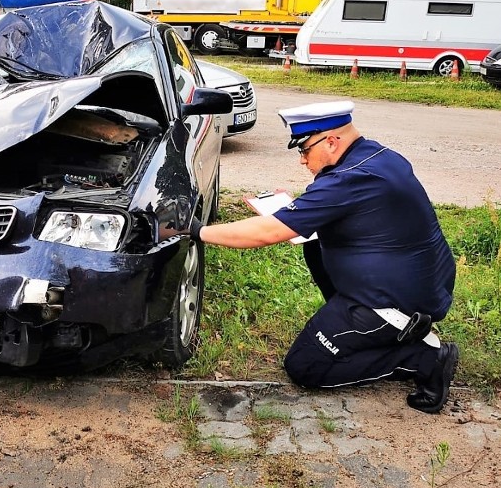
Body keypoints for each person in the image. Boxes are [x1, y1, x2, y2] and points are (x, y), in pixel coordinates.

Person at [191, 101, 458, 414]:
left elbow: (265, 233)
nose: (303, 160)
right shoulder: (376, 157)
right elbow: (348, 210)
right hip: (420, 282)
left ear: (332, 141)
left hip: (391, 302)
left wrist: (198, 231)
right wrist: (295, 208)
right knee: (314, 246)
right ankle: (372, 329)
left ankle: (423, 359)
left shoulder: (349, 179)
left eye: (305, 150)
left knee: (304, 366)